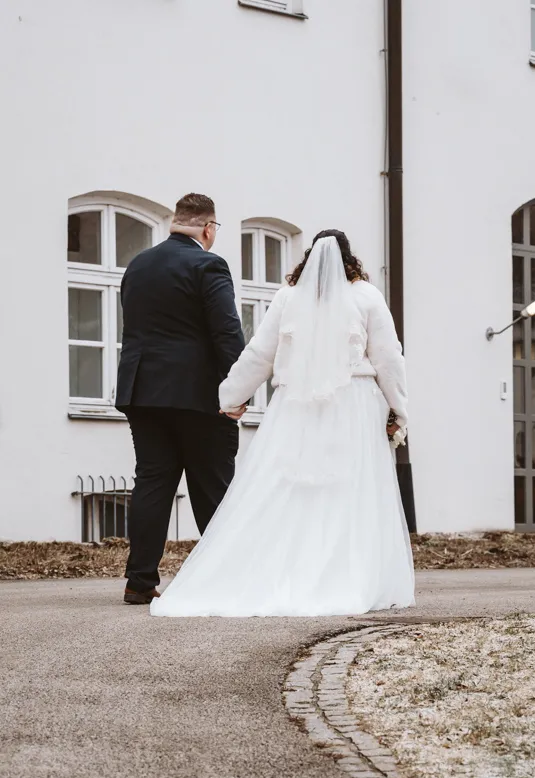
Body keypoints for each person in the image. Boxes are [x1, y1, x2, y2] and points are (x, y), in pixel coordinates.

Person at [151, 230, 414, 618]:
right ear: (349, 260)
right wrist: (400, 407)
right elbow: (389, 358)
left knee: (290, 486)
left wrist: (230, 396)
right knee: (348, 489)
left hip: (295, 405)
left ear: (308, 259)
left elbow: (259, 352)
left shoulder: (288, 298)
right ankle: (347, 575)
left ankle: (284, 572)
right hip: (354, 404)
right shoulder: (367, 296)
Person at [116, 193, 245, 604]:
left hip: (142, 391)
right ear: (209, 228)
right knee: (213, 486)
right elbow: (227, 332)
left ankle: (140, 582)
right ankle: (226, 576)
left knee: (152, 482)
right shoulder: (208, 263)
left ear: (175, 222)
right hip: (197, 394)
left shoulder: (138, 264)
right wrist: (237, 389)